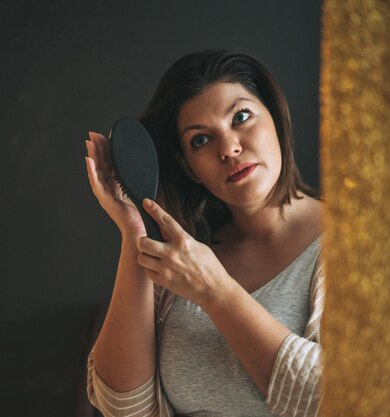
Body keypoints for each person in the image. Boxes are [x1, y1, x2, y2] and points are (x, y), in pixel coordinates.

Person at [84, 49, 325, 417]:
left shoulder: (346, 244)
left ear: (276, 118)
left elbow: (340, 398)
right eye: (200, 140)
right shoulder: (182, 257)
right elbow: (124, 408)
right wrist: (134, 230)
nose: (229, 148)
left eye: (241, 117)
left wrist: (215, 291)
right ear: (190, 168)